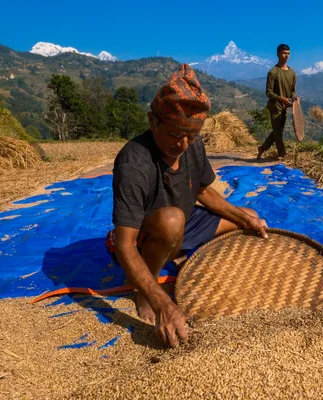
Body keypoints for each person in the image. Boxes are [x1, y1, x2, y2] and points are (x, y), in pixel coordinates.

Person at [106, 64, 268, 348]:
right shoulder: (134, 162)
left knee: (249, 216)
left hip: (185, 222)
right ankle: (145, 290)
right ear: (153, 121)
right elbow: (125, 245)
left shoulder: (191, 144)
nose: (182, 144)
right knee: (171, 220)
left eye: (190, 137)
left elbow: (204, 191)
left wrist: (244, 219)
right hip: (147, 234)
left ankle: (176, 251)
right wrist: (161, 304)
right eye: (174, 135)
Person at [257, 43, 298, 160]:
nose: (286, 56)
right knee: (278, 133)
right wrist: (282, 99)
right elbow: (268, 92)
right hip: (275, 106)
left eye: (288, 53)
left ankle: (262, 148)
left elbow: (293, 90)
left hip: (285, 107)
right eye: (284, 53)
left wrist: (295, 97)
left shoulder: (292, 73)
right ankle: (282, 155)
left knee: (277, 131)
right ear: (278, 54)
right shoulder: (273, 72)